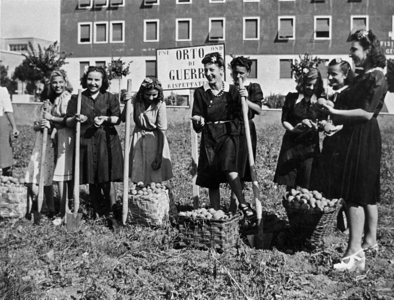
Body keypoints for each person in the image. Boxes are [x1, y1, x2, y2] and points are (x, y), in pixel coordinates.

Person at [317, 30, 387, 272]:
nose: (351, 54)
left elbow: (366, 113)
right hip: (353, 134)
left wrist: (334, 113)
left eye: (355, 49)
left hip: (364, 136)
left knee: (356, 191)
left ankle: (355, 252)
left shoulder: (376, 76)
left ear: (368, 51)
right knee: (353, 191)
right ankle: (358, 247)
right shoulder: (363, 76)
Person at [191, 52, 256, 220]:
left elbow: (244, 115)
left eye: (211, 69)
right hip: (210, 137)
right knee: (212, 177)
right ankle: (217, 215)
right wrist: (198, 121)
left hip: (229, 134)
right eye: (205, 70)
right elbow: (197, 120)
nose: (208, 74)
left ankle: (241, 204)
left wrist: (245, 99)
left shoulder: (233, 91)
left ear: (221, 70)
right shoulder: (200, 93)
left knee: (228, 165)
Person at [66, 66, 123, 219]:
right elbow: (68, 121)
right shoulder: (77, 98)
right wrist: (76, 118)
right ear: (85, 80)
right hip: (86, 141)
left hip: (106, 141)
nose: (93, 83)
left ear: (102, 81)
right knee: (92, 177)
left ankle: (112, 210)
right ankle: (97, 211)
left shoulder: (110, 97)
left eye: (97, 80)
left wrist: (106, 119)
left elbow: (117, 119)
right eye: (90, 79)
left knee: (106, 177)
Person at [273, 57, 325, 191]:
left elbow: (324, 121)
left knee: (307, 181)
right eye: (308, 84)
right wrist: (293, 129)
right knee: (290, 183)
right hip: (291, 144)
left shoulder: (320, 101)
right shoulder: (292, 98)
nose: (311, 88)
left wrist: (318, 126)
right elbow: (284, 119)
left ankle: (304, 211)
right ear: (302, 82)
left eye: (315, 85)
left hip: (309, 145)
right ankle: (291, 210)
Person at [312, 58, 355, 198]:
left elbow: (353, 120)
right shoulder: (331, 94)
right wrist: (322, 122)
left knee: (341, 188)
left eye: (334, 74)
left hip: (345, 146)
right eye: (328, 74)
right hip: (331, 145)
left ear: (345, 75)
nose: (330, 78)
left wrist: (337, 127)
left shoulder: (350, 94)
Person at [121, 77, 173, 184]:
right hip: (138, 136)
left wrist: (159, 155)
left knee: (154, 174)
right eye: (147, 94)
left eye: (154, 95)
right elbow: (123, 118)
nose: (151, 97)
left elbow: (161, 131)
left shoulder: (160, 104)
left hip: (155, 138)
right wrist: (127, 102)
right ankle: (139, 199)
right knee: (138, 171)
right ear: (142, 93)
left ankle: (155, 198)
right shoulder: (135, 99)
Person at [229, 56, 263, 212]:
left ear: (248, 72)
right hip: (231, 130)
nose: (238, 76)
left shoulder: (253, 87)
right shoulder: (228, 89)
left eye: (241, 73)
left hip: (246, 131)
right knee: (231, 168)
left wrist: (245, 98)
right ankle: (234, 206)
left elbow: (259, 110)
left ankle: (236, 206)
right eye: (235, 73)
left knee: (242, 170)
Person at [41, 70, 74, 224]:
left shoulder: (66, 98)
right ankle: (65, 209)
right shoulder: (57, 98)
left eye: (61, 82)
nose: (58, 85)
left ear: (65, 82)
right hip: (60, 135)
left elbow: (68, 120)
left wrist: (51, 118)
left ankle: (65, 213)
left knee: (62, 175)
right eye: (54, 82)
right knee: (63, 175)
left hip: (67, 136)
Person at [24, 100, 56, 219]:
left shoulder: (54, 119)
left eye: (48, 107)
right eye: (43, 108)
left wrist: (50, 126)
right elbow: (35, 127)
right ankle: (44, 204)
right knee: (29, 179)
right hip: (38, 151)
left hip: (49, 151)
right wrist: (41, 125)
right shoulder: (40, 118)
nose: (45, 110)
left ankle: (50, 208)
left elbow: (56, 132)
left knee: (47, 181)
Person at [0, 87, 19, 176]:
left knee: (4, 148)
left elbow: (8, 109)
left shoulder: (2, 90)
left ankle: (6, 175)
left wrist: (14, 127)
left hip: (0, 122)